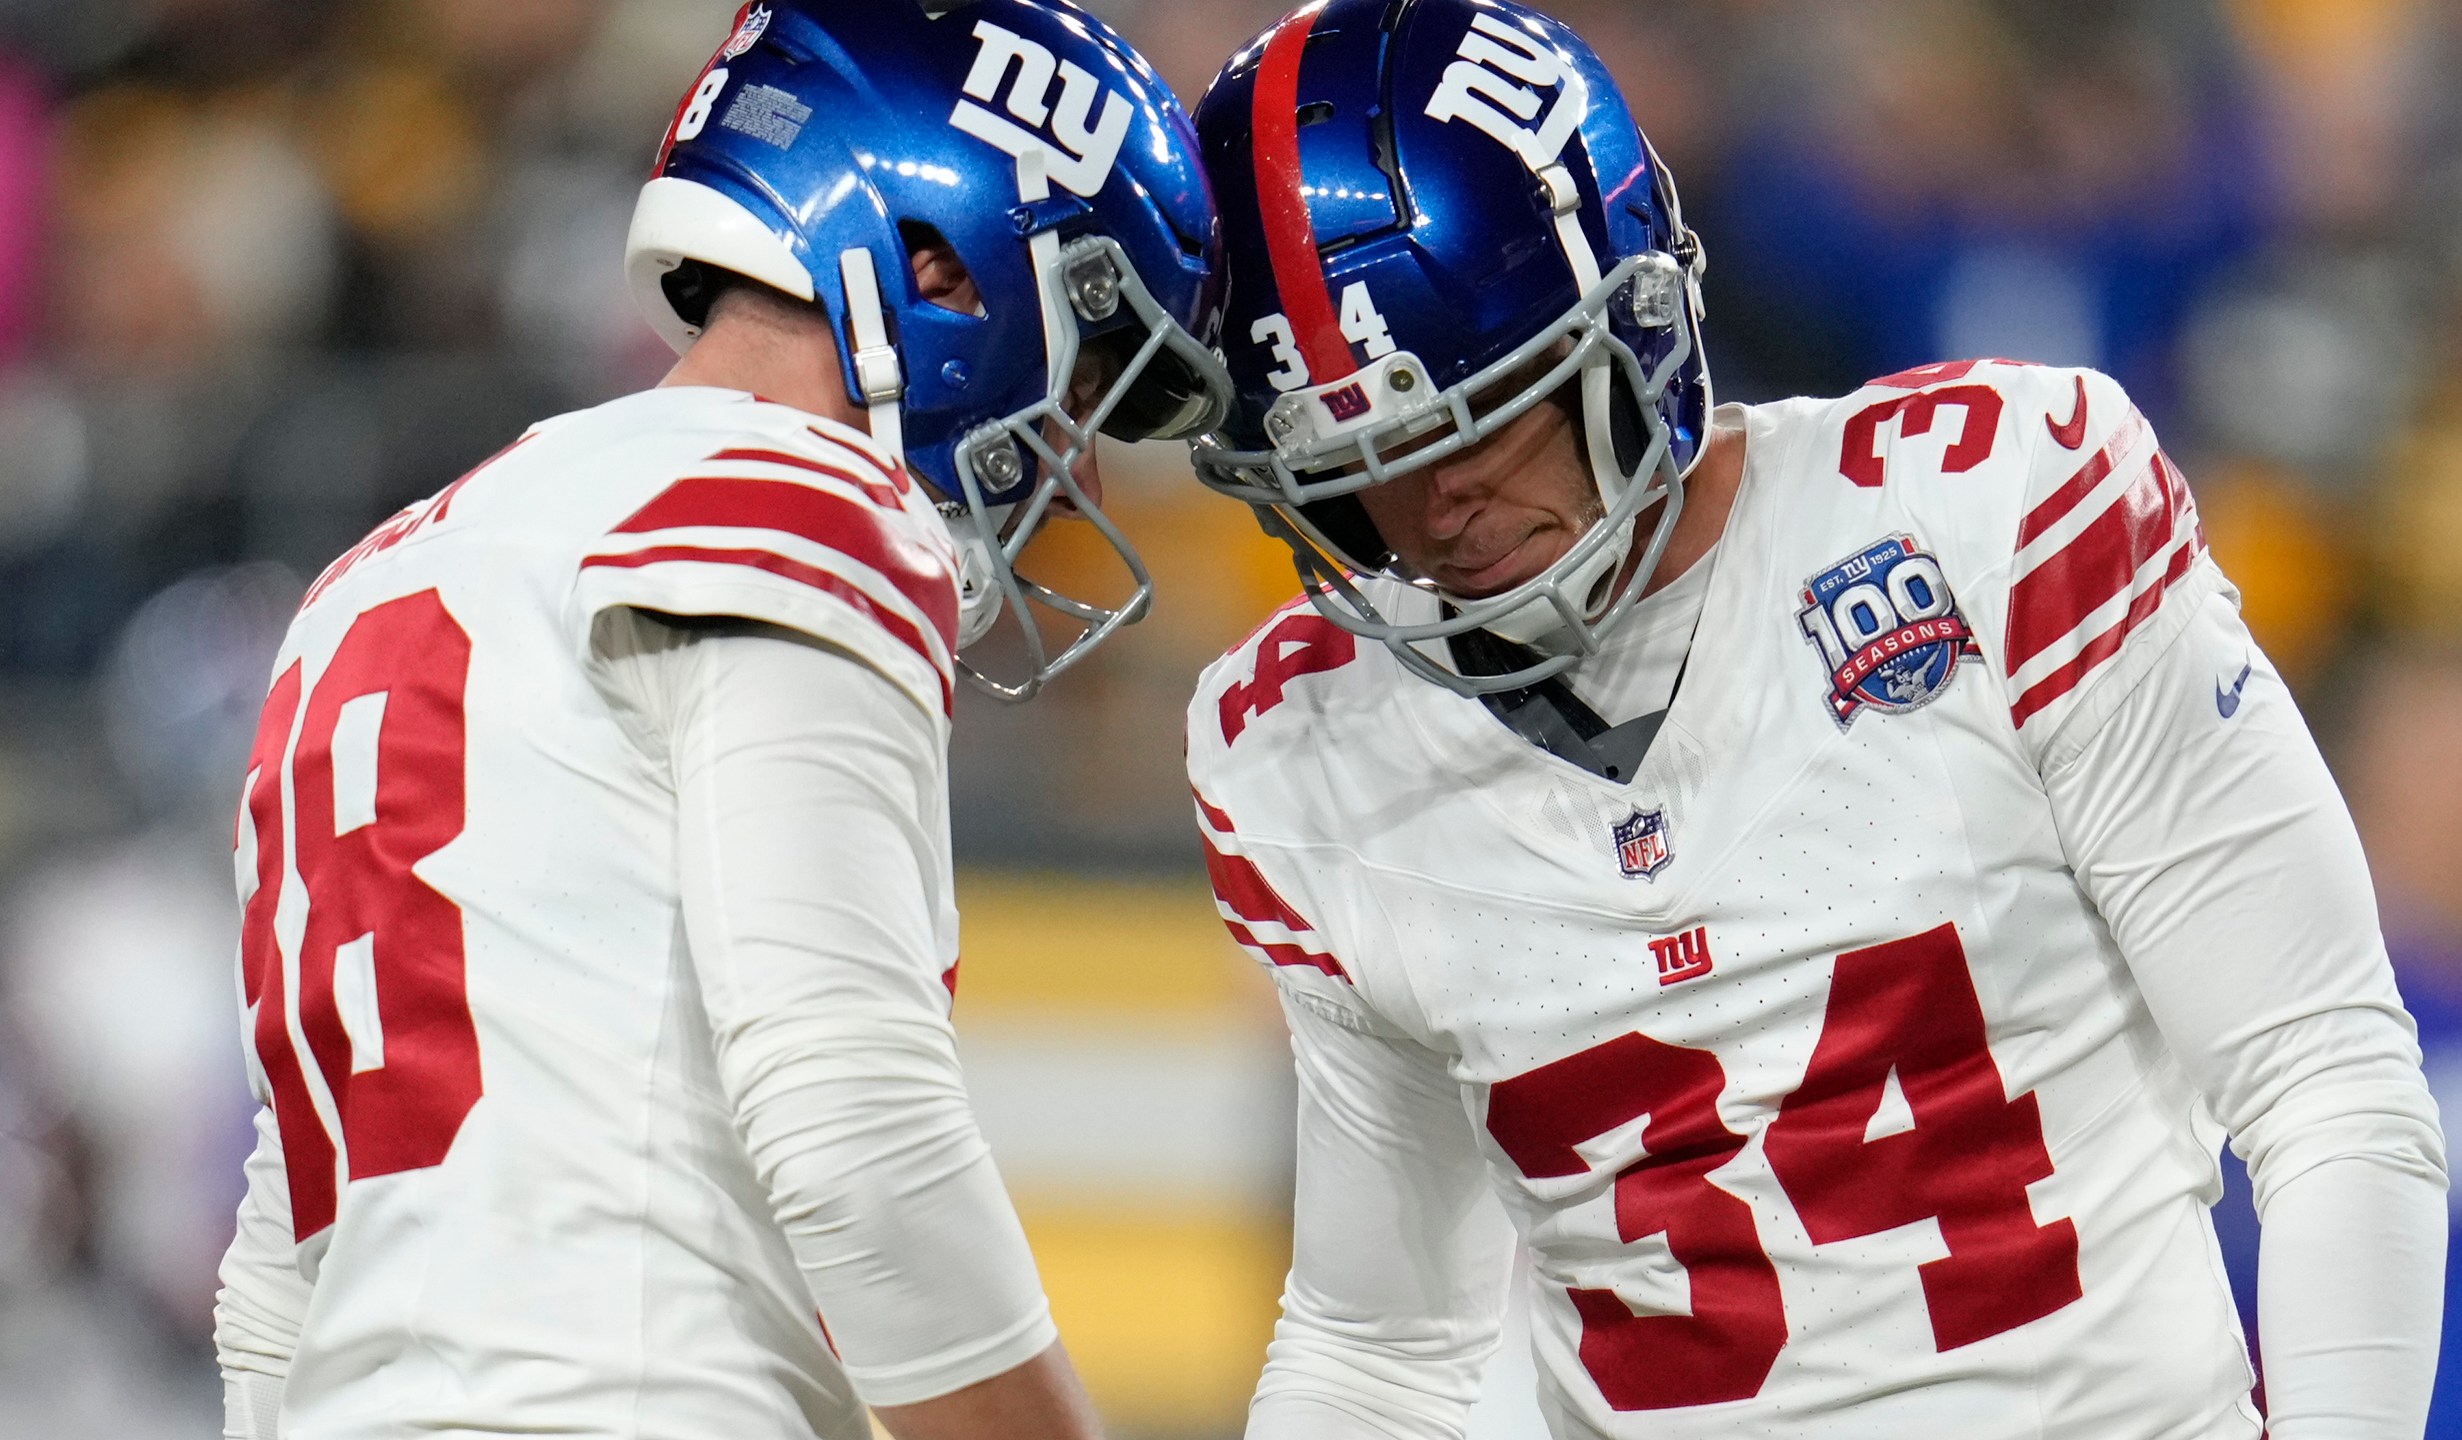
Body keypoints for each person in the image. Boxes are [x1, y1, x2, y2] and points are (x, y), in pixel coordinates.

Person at [1179, 2, 2446, 1436]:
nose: (1432, 509)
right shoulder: (1299, 739)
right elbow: (1378, 1345)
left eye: (1478, 418)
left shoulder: (1991, 509)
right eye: (1357, 471)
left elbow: (2325, 1082)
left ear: (1633, 315)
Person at [209, 3, 1229, 1437]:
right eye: (1078, 371)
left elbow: (278, 1270)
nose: (1073, 460)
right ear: (938, 267)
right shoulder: (796, 499)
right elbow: (852, 1123)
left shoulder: (373, 579)